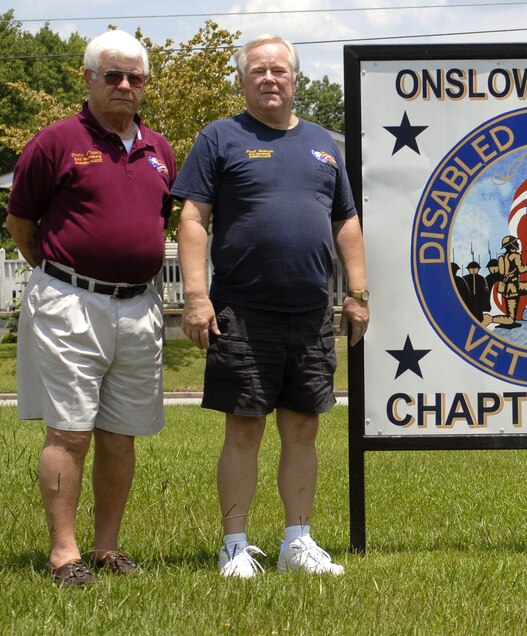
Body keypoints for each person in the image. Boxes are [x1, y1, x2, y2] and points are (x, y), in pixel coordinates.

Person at [172, 34, 370, 578]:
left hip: (310, 314)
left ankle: (296, 542)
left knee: (303, 428)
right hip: (242, 310)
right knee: (244, 427)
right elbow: (193, 219)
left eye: (279, 70)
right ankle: (234, 545)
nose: (269, 78)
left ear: (295, 78)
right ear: (242, 80)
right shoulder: (219, 138)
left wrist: (357, 293)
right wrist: (195, 297)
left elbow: (345, 221)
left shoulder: (324, 143)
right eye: (258, 70)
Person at [6, 30, 175, 587]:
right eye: (113, 75)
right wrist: (60, 276)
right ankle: (63, 554)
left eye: (135, 77)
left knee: (120, 432)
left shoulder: (160, 150)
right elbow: (21, 224)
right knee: (70, 431)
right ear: (87, 78)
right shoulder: (54, 142)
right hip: (70, 300)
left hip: (138, 306)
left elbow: (157, 226)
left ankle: (107, 548)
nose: (125, 85)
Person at [483, 235, 527, 328]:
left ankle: (490, 319)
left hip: (506, 289)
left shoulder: (501, 258)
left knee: (510, 319)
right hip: (515, 287)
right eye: (515, 243)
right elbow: (521, 269)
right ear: (512, 245)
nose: (517, 244)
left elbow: (502, 272)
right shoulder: (515, 256)